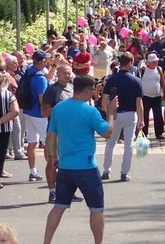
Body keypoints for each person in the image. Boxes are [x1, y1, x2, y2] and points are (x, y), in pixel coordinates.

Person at [43, 75, 115, 244]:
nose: (93, 94)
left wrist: (54, 155)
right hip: (87, 166)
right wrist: (110, 113)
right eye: (93, 91)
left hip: (65, 166)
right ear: (87, 90)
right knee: (96, 208)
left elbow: (51, 134)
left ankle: (46, 241)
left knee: (59, 206)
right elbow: (107, 132)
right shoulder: (90, 111)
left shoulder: (59, 108)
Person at [41, 64, 81, 203]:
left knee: (70, 162)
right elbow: (44, 111)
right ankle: (52, 192)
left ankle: (69, 191)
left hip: (72, 132)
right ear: (57, 74)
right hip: (55, 132)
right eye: (64, 73)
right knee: (52, 161)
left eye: (69, 73)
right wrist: (63, 110)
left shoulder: (72, 88)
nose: (67, 75)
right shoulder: (52, 89)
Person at [102, 52, 144, 181]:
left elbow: (104, 99)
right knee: (128, 144)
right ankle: (124, 172)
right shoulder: (136, 80)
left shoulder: (111, 79)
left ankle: (106, 170)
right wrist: (141, 119)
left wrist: (108, 112)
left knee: (110, 143)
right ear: (131, 63)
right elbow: (139, 102)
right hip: (130, 114)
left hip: (115, 114)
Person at [25, 50, 54, 182]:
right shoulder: (41, 79)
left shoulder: (30, 70)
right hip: (39, 113)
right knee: (49, 142)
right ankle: (54, 169)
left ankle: (32, 171)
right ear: (42, 61)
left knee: (32, 142)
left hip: (28, 110)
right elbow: (42, 99)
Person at [139, 53, 165, 139]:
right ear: (149, 62)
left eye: (156, 61)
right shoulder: (143, 70)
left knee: (158, 115)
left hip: (157, 95)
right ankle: (144, 133)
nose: (156, 63)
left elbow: (163, 82)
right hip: (145, 96)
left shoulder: (159, 69)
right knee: (145, 115)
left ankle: (159, 133)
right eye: (154, 62)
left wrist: (164, 94)